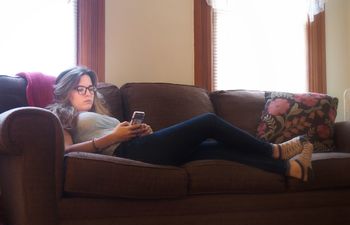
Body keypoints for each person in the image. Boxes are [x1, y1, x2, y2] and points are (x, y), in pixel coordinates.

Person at [47, 66, 314, 181]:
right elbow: (64, 152)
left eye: (91, 89)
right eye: (80, 89)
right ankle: (272, 150)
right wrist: (113, 137)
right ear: (66, 91)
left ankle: (289, 168)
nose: (88, 94)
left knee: (212, 147)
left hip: (137, 148)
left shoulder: (100, 113)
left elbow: (120, 135)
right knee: (208, 122)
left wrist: (135, 131)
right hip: (125, 154)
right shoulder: (59, 116)